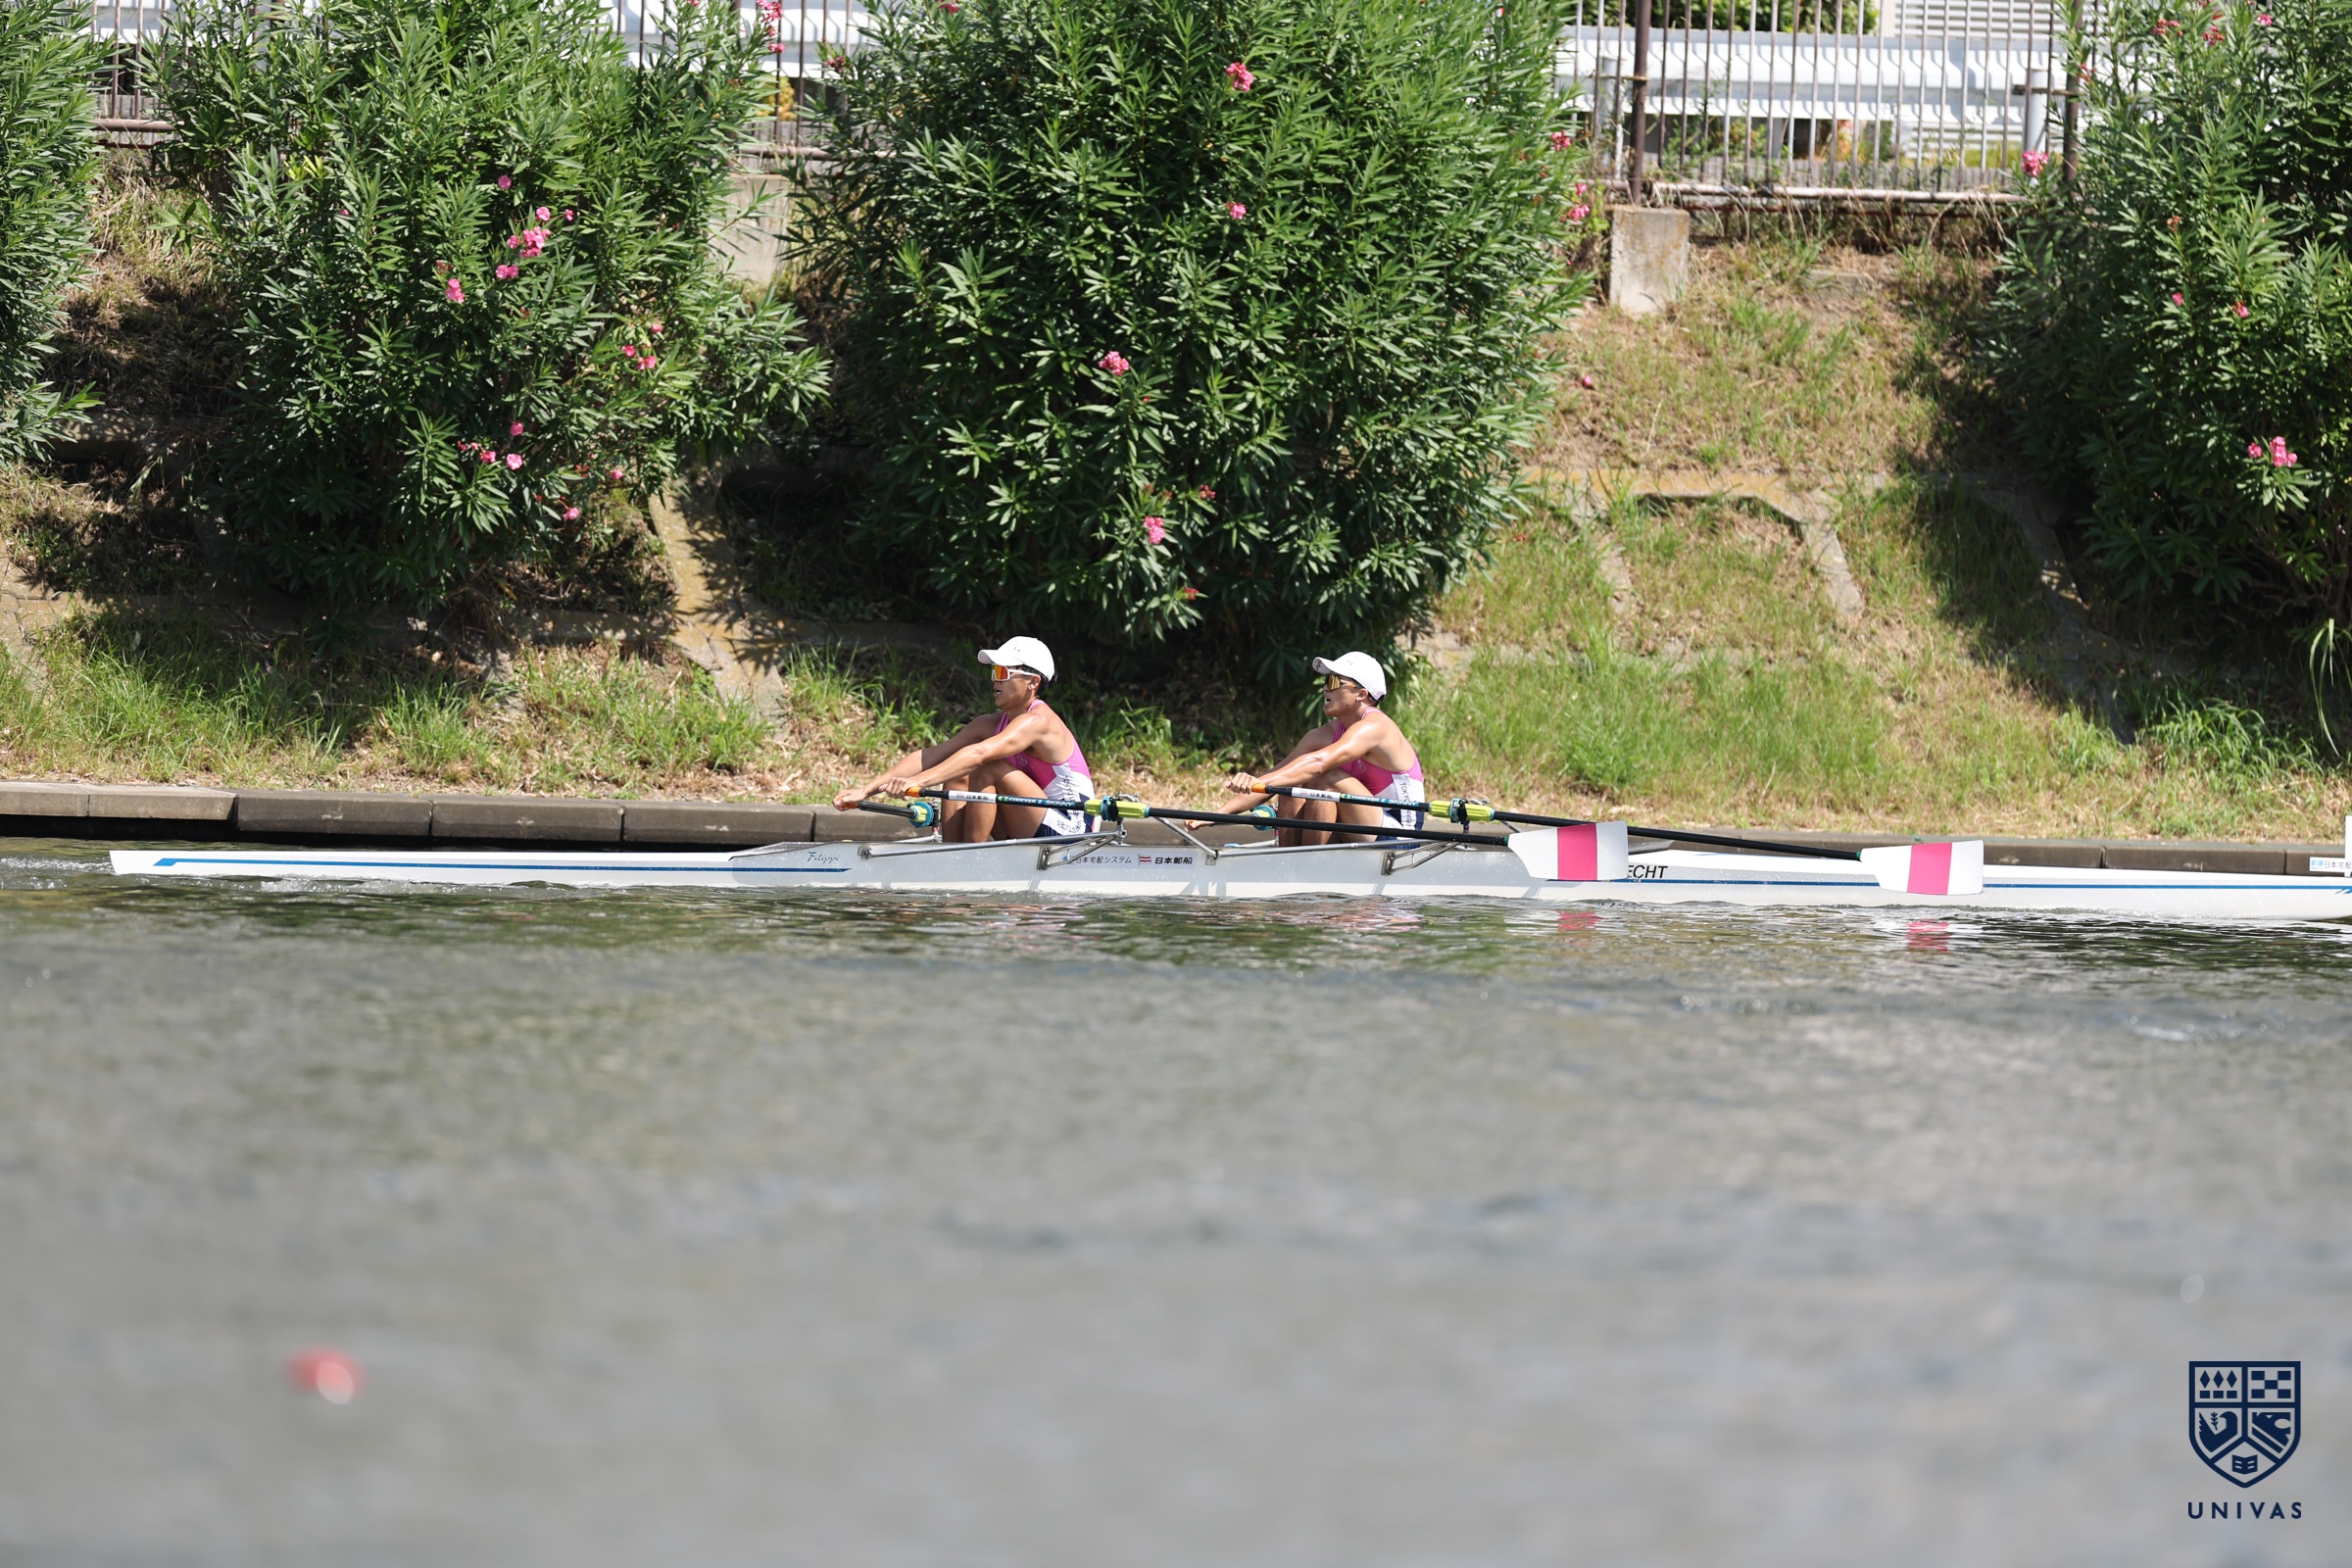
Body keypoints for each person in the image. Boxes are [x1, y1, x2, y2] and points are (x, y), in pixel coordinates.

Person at [832, 637, 1097, 840]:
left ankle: (971, 860)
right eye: (994, 671)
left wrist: (917, 782)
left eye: (1003, 673)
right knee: (958, 773)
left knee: (985, 766)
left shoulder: (1038, 721)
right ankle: (953, 855)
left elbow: (980, 755)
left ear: (1033, 682)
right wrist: (866, 790)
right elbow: (929, 756)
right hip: (1034, 819)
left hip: (1072, 829)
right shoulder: (989, 724)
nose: (995, 681)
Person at [1217, 651, 1425, 845]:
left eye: (1334, 682)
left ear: (1361, 694)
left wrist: (1261, 782)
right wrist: (1216, 815)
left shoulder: (1376, 727)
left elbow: (1319, 763)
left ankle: (1310, 863)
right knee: (1291, 784)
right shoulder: (1324, 735)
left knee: (1326, 778)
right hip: (1361, 825)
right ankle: (1289, 862)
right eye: (1327, 681)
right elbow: (1277, 775)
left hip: (1400, 834)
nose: (1326, 688)